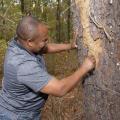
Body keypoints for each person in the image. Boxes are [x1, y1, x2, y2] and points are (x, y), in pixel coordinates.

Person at [0, 16, 96, 120]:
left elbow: (45, 48)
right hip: (16, 116)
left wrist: (70, 46)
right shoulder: (23, 66)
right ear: (30, 42)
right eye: (44, 40)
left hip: (21, 111)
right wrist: (84, 68)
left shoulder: (19, 42)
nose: (46, 42)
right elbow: (60, 89)